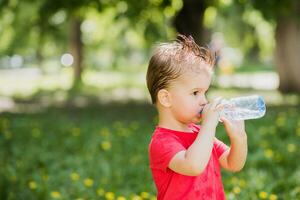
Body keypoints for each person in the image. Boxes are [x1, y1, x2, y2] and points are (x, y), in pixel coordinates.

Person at [146, 35, 248, 200]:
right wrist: (208, 126)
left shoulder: (200, 134)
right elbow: (193, 165)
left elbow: (233, 164)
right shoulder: (162, 142)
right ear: (166, 98)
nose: (204, 101)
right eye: (195, 93)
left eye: (205, 92)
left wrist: (239, 137)